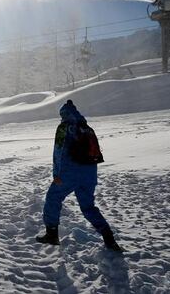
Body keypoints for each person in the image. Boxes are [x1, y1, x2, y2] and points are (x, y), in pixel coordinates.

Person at [36, 99, 122, 251]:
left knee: (53, 198)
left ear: (63, 114)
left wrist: (56, 174)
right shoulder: (87, 128)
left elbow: (58, 152)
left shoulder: (65, 127)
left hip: (70, 172)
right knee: (88, 207)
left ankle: (51, 233)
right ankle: (109, 238)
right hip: (89, 174)